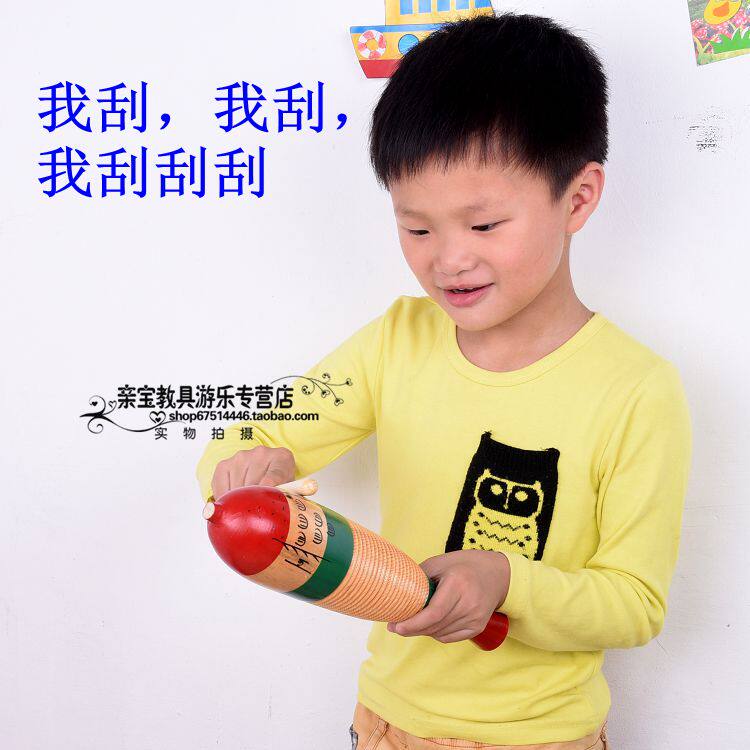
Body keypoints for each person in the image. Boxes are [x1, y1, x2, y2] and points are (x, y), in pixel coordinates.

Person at [195, 11, 692, 749]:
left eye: (484, 225)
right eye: (417, 228)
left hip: (542, 737)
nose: (447, 259)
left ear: (579, 198)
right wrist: (246, 468)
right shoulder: (396, 341)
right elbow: (253, 437)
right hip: (386, 720)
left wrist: (506, 581)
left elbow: (635, 603)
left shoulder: (636, 390)